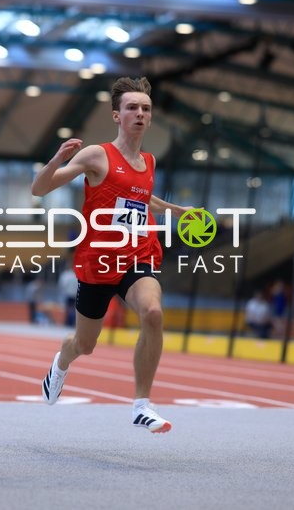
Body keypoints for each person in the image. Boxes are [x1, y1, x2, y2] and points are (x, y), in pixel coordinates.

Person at [31, 76, 191, 433]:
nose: (140, 113)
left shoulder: (149, 161)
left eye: (145, 108)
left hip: (137, 255)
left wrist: (174, 209)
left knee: (153, 313)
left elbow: (139, 196)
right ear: (117, 116)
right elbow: (39, 189)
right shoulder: (97, 155)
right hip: (98, 262)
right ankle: (61, 363)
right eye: (132, 107)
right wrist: (57, 158)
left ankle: (142, 405)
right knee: (84, 344)